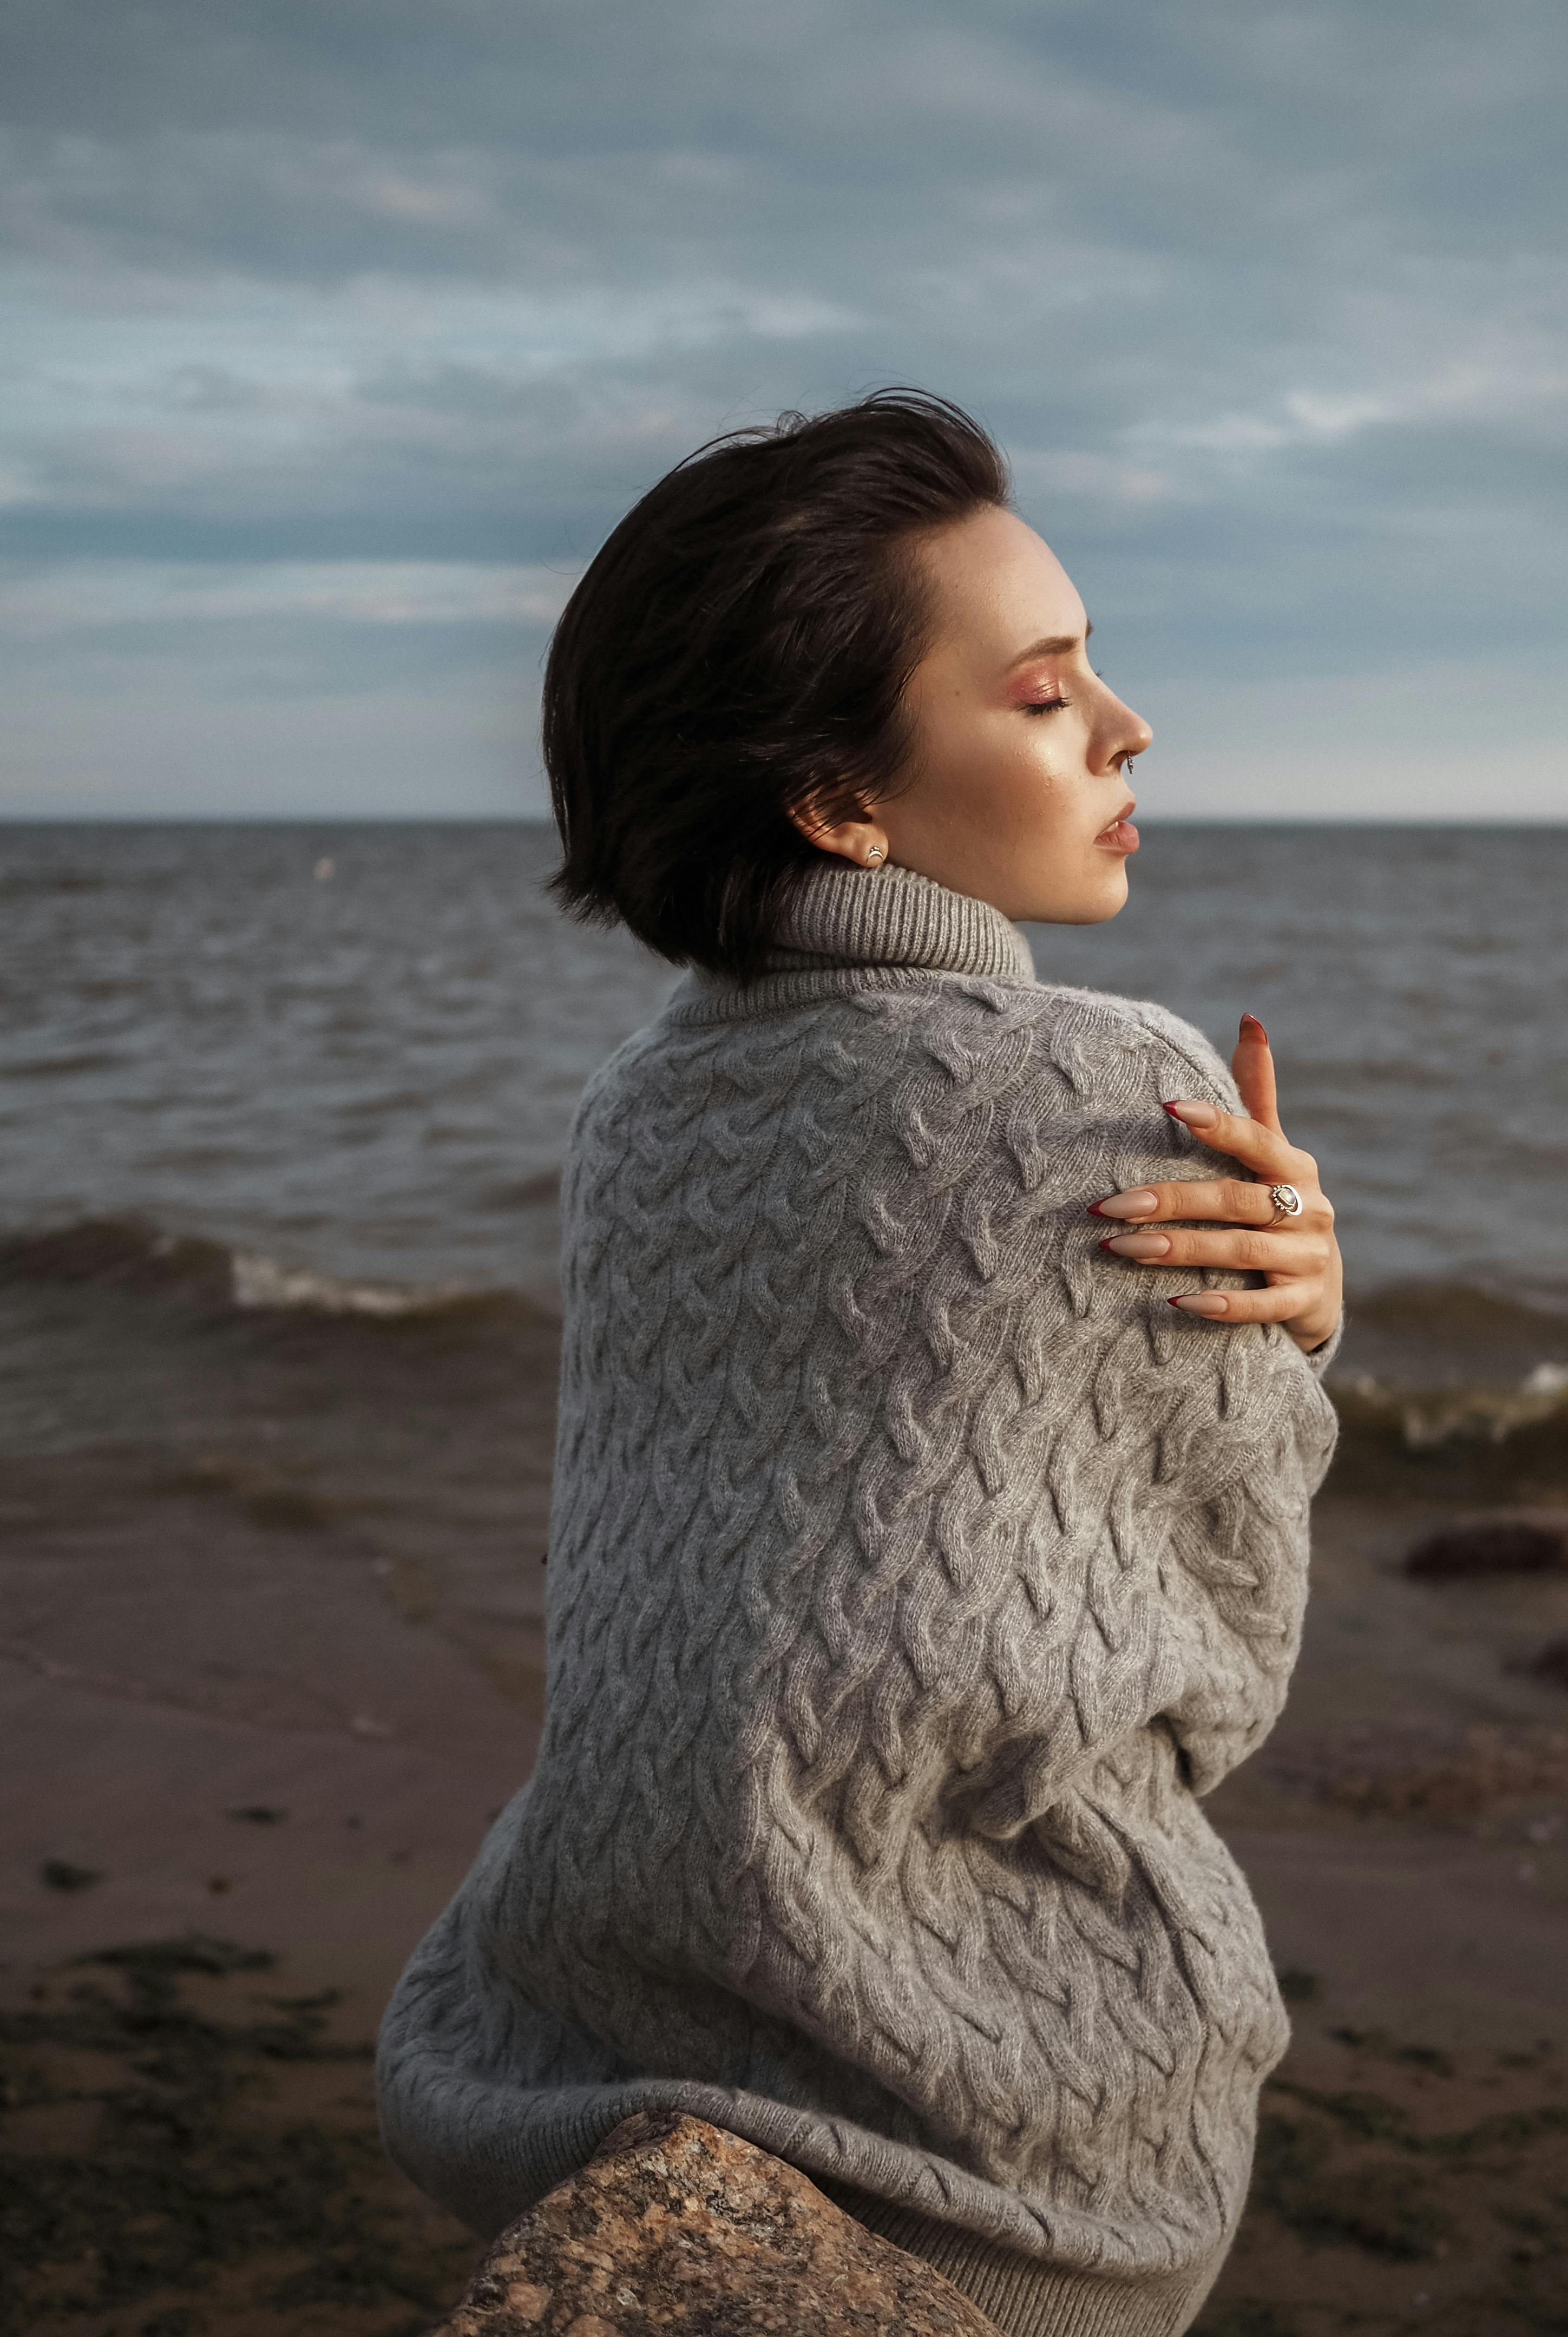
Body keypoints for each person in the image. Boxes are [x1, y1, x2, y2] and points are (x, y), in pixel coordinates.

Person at [377, 391, 1344, 2337]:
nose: (1127, 728)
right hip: (1011, 2131)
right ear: (837, 798)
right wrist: (1307, 1336)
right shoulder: (1104, 1085)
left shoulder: (638, 1099)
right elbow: (1221, 1667)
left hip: (558, 2036)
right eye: (1048, 693)